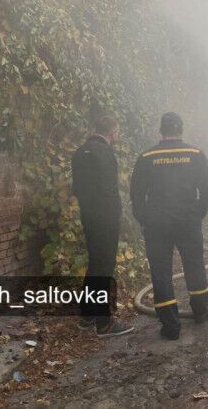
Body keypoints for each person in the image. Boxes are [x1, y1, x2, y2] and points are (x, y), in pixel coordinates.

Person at [130, 112, 208, 340]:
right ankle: (200, 311)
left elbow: (136, 195)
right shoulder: (195, 154)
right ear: (181, 129)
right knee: (194, 265)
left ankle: (170, 326)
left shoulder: (146, 156)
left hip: (157, 223)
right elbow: (207, 189)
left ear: (161, 130)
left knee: (161, 272)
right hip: (188, 221)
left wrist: (145, 218)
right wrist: (197, 213)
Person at [72, 116, 134, 338]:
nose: (117, 135)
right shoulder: (105, 153)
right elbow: (110, 190)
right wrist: (116, 216)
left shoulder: (80, 152)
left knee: (95, 264)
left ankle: (87, 315)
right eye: (117, 130)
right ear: (112, 130)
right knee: (104, 268)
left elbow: (77, 188)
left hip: (88, 216)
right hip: (105, 219)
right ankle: (104, 323)